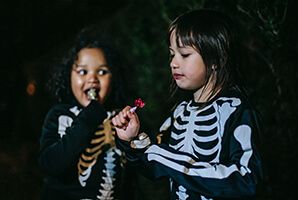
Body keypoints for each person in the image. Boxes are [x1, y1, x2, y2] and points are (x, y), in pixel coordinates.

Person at [112, 9, 263, 200]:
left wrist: (162, 157)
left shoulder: (236, 110)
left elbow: (246, 180)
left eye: (184, 54)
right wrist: (130, 140)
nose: (173, 63)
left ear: (216, 58)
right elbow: (153, 166)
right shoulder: (180, 112)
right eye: (172, 54)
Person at [38, 29, 130, 200]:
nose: (92, 78)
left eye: (102, 72)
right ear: (68, 76)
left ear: (114, 78)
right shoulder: (59, 115)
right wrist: (89, 118)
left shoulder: (120, 118)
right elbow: (50, 164)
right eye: (82, 71)